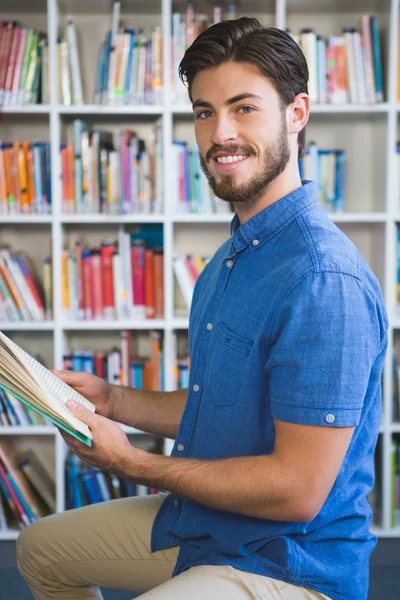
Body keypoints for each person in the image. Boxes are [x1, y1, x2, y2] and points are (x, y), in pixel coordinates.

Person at [17, 17, 388, 600]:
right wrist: (114, 401)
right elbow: (221, 408)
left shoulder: (324, 281)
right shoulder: (231, 259)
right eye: (205, 111)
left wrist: (133, 464)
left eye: (244, 108)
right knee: (39, 550)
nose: (221, 134)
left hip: (286, 563)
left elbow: (297, 489)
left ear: (297, 114)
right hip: (209, 526)